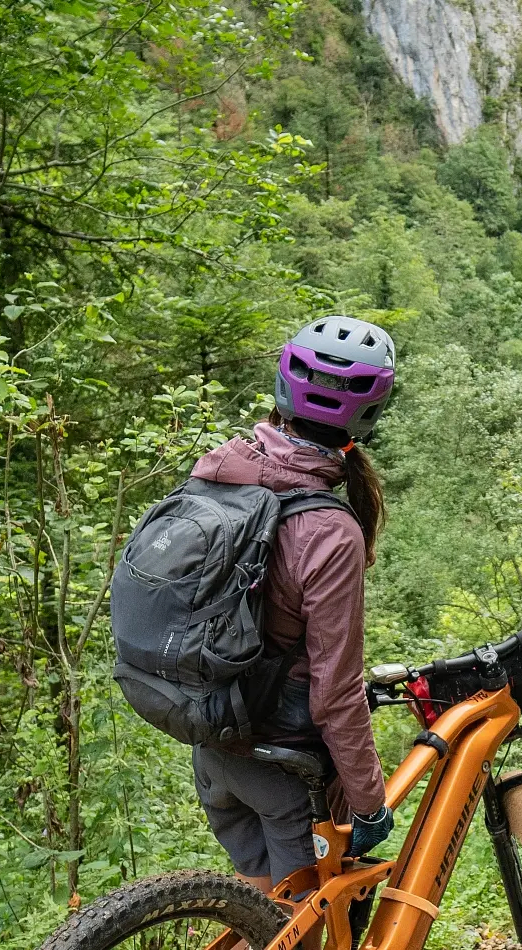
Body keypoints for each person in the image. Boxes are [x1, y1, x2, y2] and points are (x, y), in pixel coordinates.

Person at [186, 316, 399, 893]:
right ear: (369, 413)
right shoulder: (330, 532)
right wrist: (369, 801)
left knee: (259, 919)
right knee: (298, 926)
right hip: (285, 769)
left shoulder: (217, 472)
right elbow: (336, 692)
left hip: (215, 746)